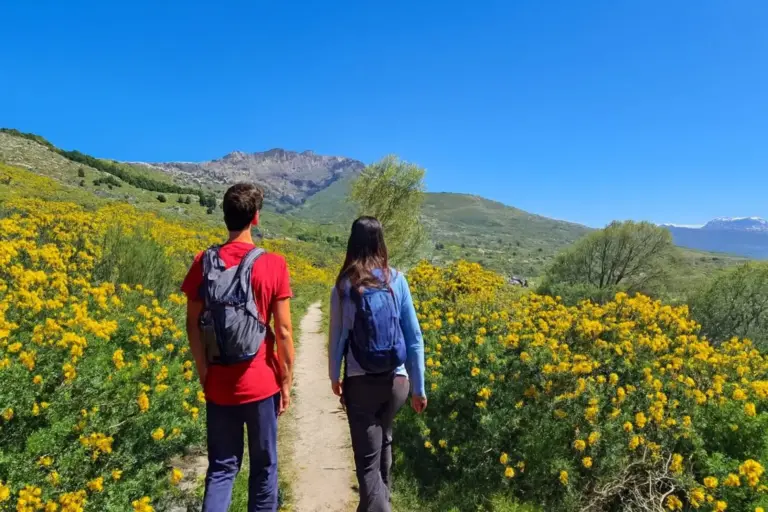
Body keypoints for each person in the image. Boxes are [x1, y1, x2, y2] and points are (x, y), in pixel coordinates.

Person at [182, 183, 295, 512]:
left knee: (221, 469)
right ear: (255, 218)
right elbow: (284, 330)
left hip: (219, 384)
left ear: (225, 217)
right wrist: (285, 381)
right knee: (263, 470)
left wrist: (204, 371)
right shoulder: (273, 264)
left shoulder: (204, 261)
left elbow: (192, 323)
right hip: (261, 384)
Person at [328, 216, 427, 512]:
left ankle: (380, 508)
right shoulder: (397, 279)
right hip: (397, 381)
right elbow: (414, 337)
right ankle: (382, 503)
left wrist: (335, 377)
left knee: (366, 463)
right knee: (384, 440)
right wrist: (419, 388)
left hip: (362, 383)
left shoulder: (345, 286)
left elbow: (338, 338)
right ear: (380, 243)